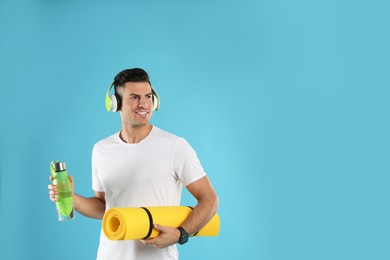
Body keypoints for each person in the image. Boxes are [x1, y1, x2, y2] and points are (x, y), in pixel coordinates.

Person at [48, 68, 219, 260]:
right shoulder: (101, 149)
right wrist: (72, 198)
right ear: (116, 103)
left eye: (148, 96)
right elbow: (105, 207)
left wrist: (181, 234)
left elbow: (209, 200)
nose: (144, 104)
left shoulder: (175, 146)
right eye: (134, 97)